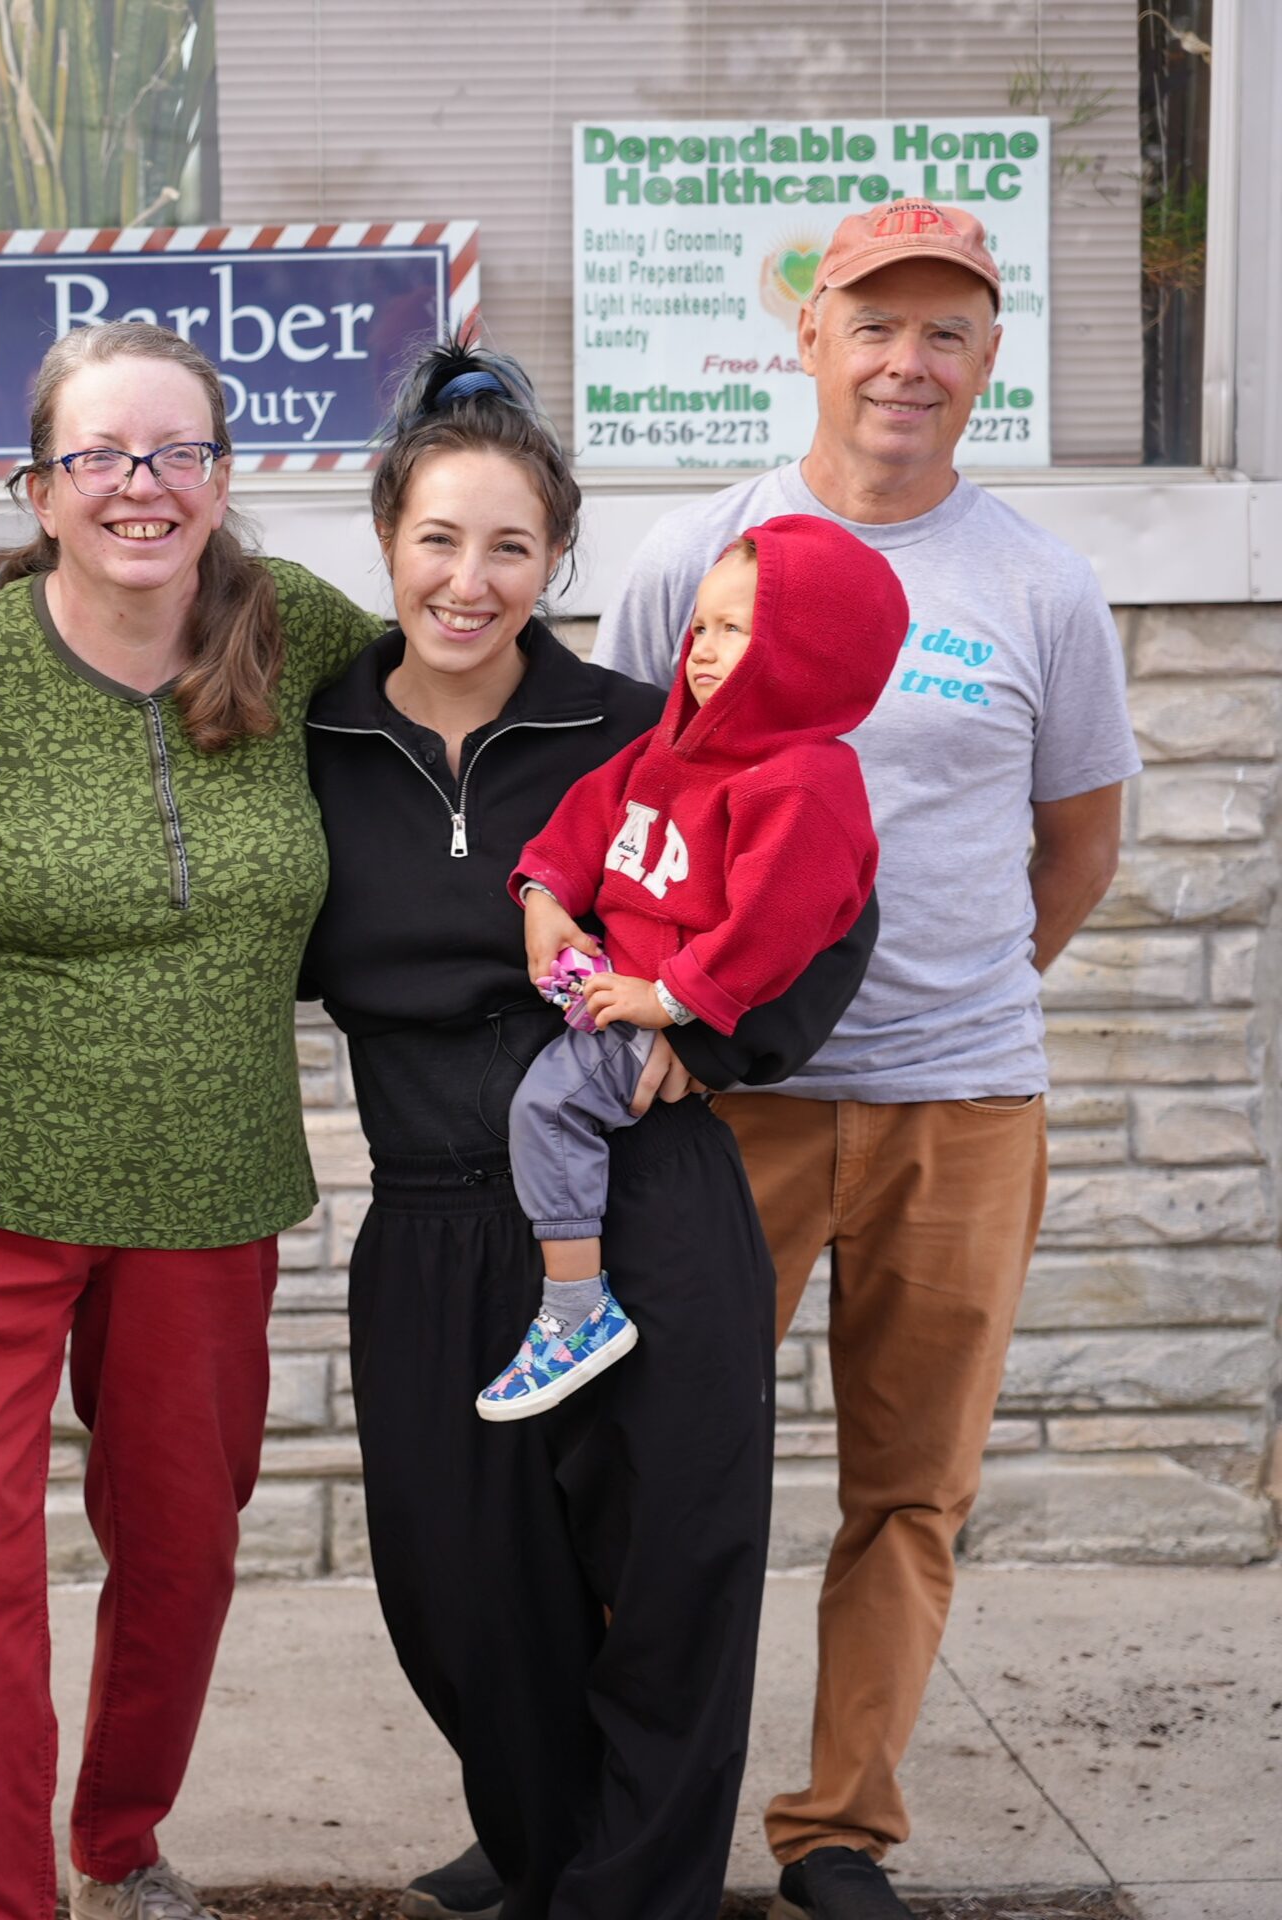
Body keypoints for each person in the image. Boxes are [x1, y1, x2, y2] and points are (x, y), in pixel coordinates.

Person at [595, 199, 1136, 1920]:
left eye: (949, 331)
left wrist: (962, 997)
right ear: (809, 337)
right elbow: (624, 820)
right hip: (723, 1106)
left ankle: (843, 1829)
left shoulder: (1040, 587)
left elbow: (1075, 847)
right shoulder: (697, 554)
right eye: (877, 322)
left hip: (961, 1108)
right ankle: (618, 1806)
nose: (910, 361)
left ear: (986, 362)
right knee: (659, 1472)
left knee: (910, 1491)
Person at [301, 343, 875, 1920]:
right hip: (427, 1216)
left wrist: (716, 1034)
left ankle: (632, 1899)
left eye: (509, 546)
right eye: (437, 539)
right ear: (386, 540)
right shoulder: (315, 744)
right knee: (461, 1601)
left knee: (675, 1584)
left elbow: (831, 913)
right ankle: (560, 1859)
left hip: (647, 1199)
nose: (470, 581)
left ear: (559, 556)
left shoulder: (654, 729)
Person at [0, 320, 383, 1920]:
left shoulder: (298, 635)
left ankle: (119, 1843)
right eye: (101, 455)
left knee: (183, 1546)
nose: (141, 486)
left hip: (210, 1180)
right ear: (37, 486)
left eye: (177, 453)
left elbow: (472, 717)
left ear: (226, 479)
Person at [481, 516, 906, 1421]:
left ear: (807, 650)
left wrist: (670, 1002)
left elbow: (779, 927)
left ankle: (576, 1312)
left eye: (738, 630)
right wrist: (545, 897)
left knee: (547, 1108)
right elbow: (589, 819)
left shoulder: (800, 784)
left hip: (653, 1006)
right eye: (702, 627)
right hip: (613, 979)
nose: (705, 651)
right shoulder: (674, 746)